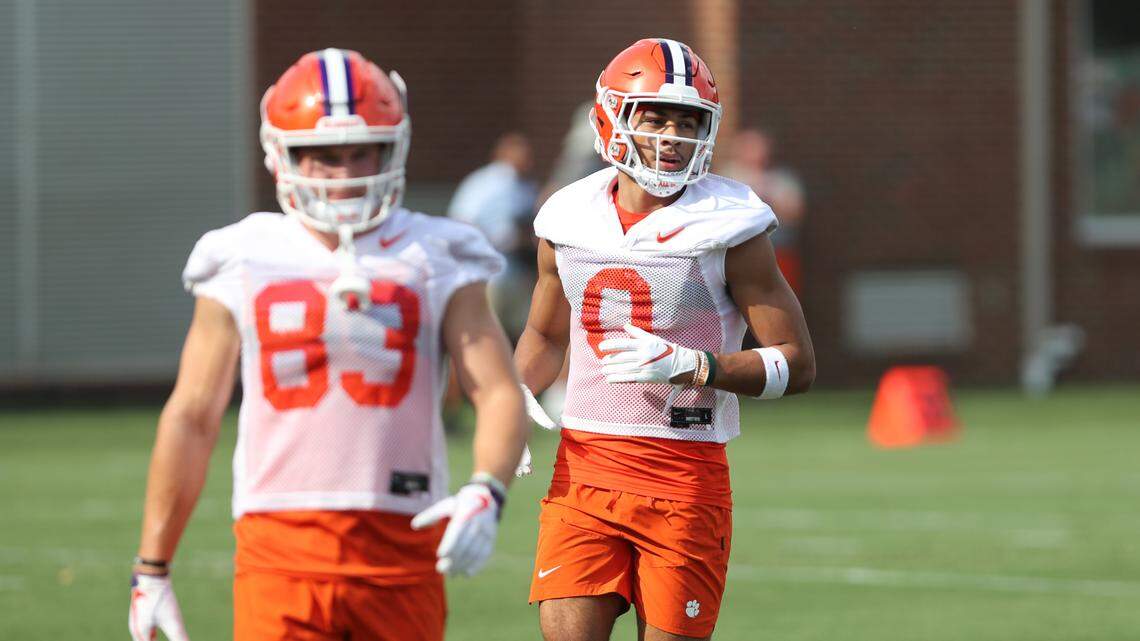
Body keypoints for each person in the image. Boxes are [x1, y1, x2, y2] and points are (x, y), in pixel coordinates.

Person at [127, 48, 529, 641]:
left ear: (392, 147)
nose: (345, 175)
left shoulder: (436, 252)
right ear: (281, 155)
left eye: (361, 151)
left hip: (402, 542)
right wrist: (151, 565)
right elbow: (192, 414)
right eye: (322, 156)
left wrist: (487, 488)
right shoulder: (241, 253)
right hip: (277, 544)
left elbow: (496, 390)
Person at [514, 38, 816, 641]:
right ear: (612, 116)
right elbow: (545, 335)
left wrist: (696, 366)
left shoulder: (732, 222)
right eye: (655, 116)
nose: (672, 134)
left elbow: (797, 364)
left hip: (684, 473)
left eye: (688, 120)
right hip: (584, 468)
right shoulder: (566, 216)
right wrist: (514, 400)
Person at [721, 128, 807, 294]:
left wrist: (769, 199)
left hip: (779, 252)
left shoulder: (782, 179)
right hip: (737, 252)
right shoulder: (728, 178)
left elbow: (795, 214)